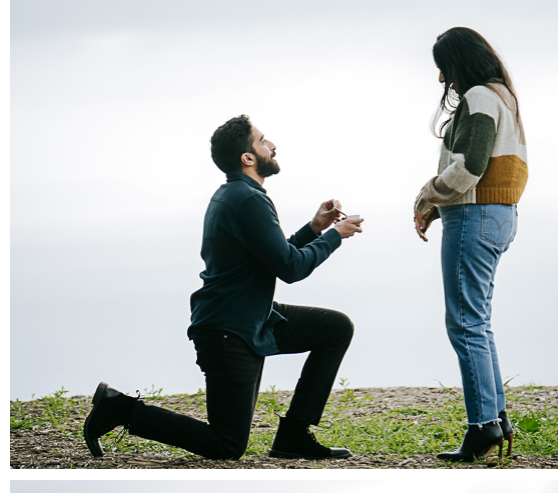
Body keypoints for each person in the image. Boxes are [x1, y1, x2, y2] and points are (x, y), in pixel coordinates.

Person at [83, 115, 364, 462]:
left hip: (251, 320)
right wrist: (336, 236)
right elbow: (291, 268)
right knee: (226, 445)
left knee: (334, 328)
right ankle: (119, 410)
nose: (272, 145)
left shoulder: (239, 195)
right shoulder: (246, 199)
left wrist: (314, 228)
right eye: (263, 141)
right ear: (248, 157)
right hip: (228, 331)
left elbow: (275, 255)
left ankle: (294, 434)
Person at [414, 27, 528, 463]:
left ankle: (483, 426)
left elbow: (471, 167)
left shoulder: (479, 97)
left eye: (444, 69)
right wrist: (441, 208)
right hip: (499, 216)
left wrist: (428, 196)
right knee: (478, 323)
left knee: (464, 324)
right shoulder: (504, 97)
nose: (443, 80)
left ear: (459, 63)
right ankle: (496, 419)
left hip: (475, 217)